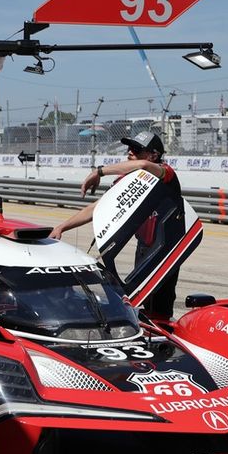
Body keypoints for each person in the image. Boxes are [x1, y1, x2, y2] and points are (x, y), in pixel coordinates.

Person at [49, 131, 183, 323]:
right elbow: (98, 207)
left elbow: (143, 165)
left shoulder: (165, 172)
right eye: (129, 147)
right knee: (138, 301)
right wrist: (62, 227)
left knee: (159, 309)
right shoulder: (127, 181)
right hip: (144, 249)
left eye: (137, 149)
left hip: (165, 250)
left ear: (154, 155)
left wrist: (99, 171)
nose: (130, 152)